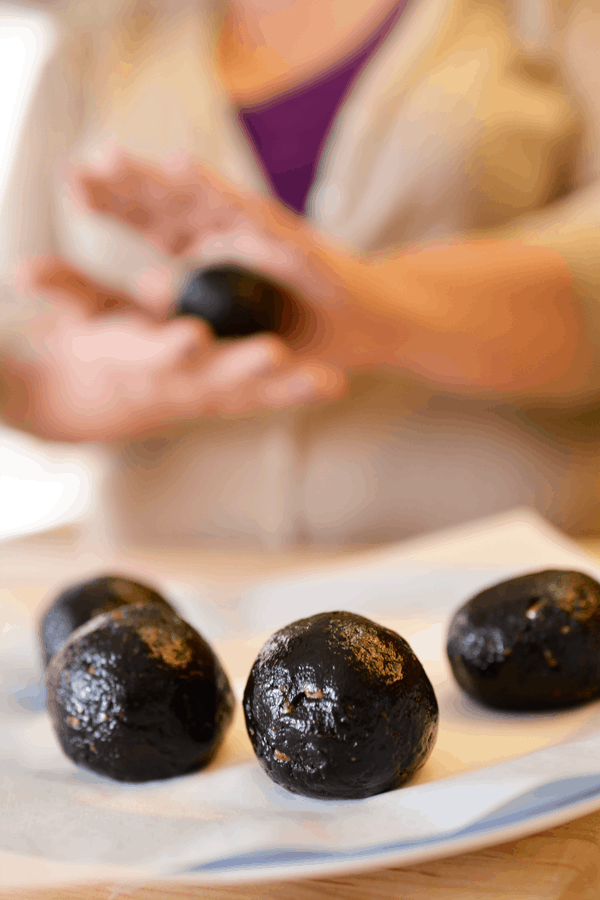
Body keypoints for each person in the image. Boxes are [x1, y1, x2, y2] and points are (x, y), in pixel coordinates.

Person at [1, 0, 600, 546]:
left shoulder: (556, 17)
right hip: (177, 598)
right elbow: (19, 335)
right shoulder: (95, 47)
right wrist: (83, 383)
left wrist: (381, 305)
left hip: (499, 594)